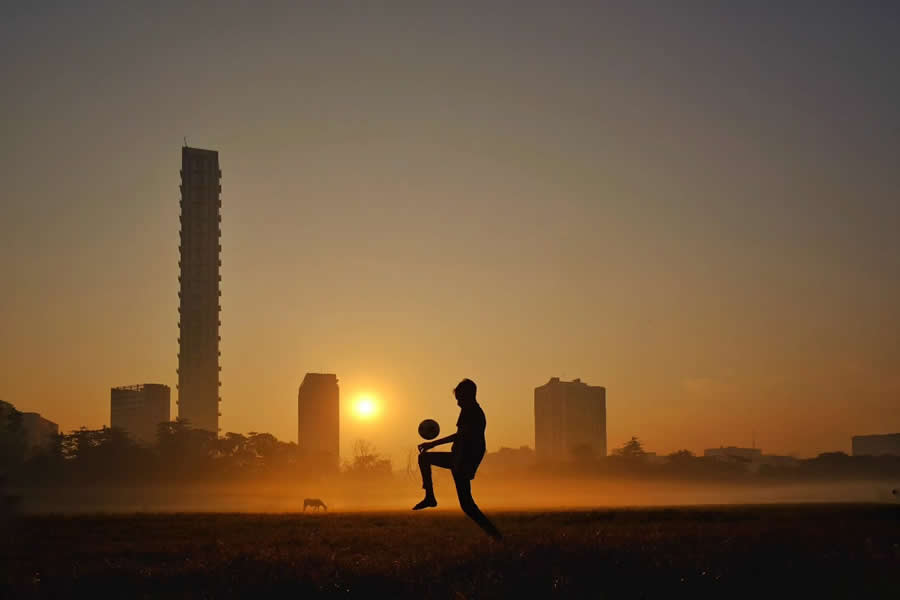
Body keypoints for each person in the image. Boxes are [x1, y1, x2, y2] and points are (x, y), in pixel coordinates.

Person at [413, 378, 502, 540]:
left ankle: (496, 536)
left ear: (468, 396)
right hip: (458, 458)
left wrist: (433, 443)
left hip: (463, 460)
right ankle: (430, 497)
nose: (458, 403)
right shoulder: (468, 410)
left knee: (467, 505)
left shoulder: (473, 412)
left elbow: (461, 436)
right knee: (424, 459)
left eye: (459, 399)